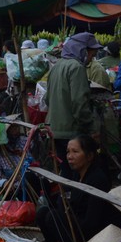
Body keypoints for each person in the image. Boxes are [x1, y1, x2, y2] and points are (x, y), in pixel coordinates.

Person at [37, 133, 116, 242]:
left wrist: (66, 217)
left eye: (75, 152)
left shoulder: (97, 179)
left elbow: (92, 221)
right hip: (78, 221)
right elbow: (65, 200)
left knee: (53, 216)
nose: (69, 156)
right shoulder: (75, 175)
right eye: (68, 152)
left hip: (93, 229)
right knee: (43, 212)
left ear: (89, 156)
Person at [46, 32, 101, 160]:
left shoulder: (56, 66)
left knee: (66, 169)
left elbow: (47, 99)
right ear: (82, 50)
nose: (91, 58)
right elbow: (79, 104)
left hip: (55, 131)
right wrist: (91, 128)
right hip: (71, 133)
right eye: (91, 54)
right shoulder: (76, 67)